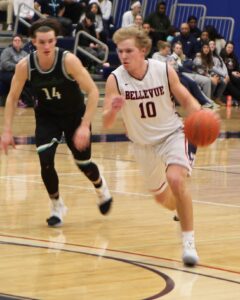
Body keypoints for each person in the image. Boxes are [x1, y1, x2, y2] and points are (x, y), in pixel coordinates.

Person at [103, 26, 202, 266]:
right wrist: (113, 110)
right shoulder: (115, 79)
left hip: (173, 134)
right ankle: (180, 208)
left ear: (143, 50)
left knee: (176, 179)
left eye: (129, 51)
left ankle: (188, 242)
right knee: (162, 198)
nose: (123, 56)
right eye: (120, 51)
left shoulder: (163, 71)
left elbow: (186, 99)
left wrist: (199, 116)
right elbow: (106, 123)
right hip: (142, 144)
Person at [1, 18, 113, 227]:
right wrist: (6, 130)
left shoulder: (68, 60)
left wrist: (84, 125)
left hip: (75, 116)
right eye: (42, 42)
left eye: (51, 41)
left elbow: (93, 91)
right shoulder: (25, 66)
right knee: (45, 159)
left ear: (55, 41)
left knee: (84, 164)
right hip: (47, 117)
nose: (47, 46)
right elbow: (12, 98)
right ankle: (57, 205)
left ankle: (101, 188)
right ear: (33, 42)